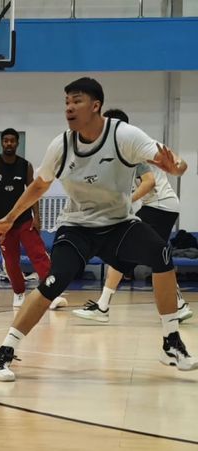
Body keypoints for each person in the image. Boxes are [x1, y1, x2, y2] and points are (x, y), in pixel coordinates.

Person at [0, 77, 197, 382]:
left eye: (77, 101)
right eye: (66, 102)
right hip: (77, 226)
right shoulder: (61, 145)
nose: (69, 108)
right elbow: (40, 185)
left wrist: (177, 168)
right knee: (53, 283)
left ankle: (171, 342)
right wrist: (9, 217)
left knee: (161, 254)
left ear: (96, 106)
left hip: (119, 224)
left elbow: (174, 161)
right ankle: (3, 351)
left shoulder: (123, 135)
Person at [72, 108, 192, 323]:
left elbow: (150, 182)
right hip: (161, 206)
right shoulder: (130, 146)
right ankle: (104, 306)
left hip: (159, 206)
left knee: (135, 254)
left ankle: (105, 307)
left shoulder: (132, 147)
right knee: (131, 256)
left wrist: (126, 202)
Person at [0, 128, 67, 310]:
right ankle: (18, 293)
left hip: (24, 220)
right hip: (3, 224)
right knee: (10, 261)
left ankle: (51, 293)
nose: (9, 143)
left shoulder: (25, 166)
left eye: (12, 140)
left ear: (17, 143)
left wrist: (37, 216)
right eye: (5, 140)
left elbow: (34, 192)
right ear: (2, 143)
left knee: (38, 254)